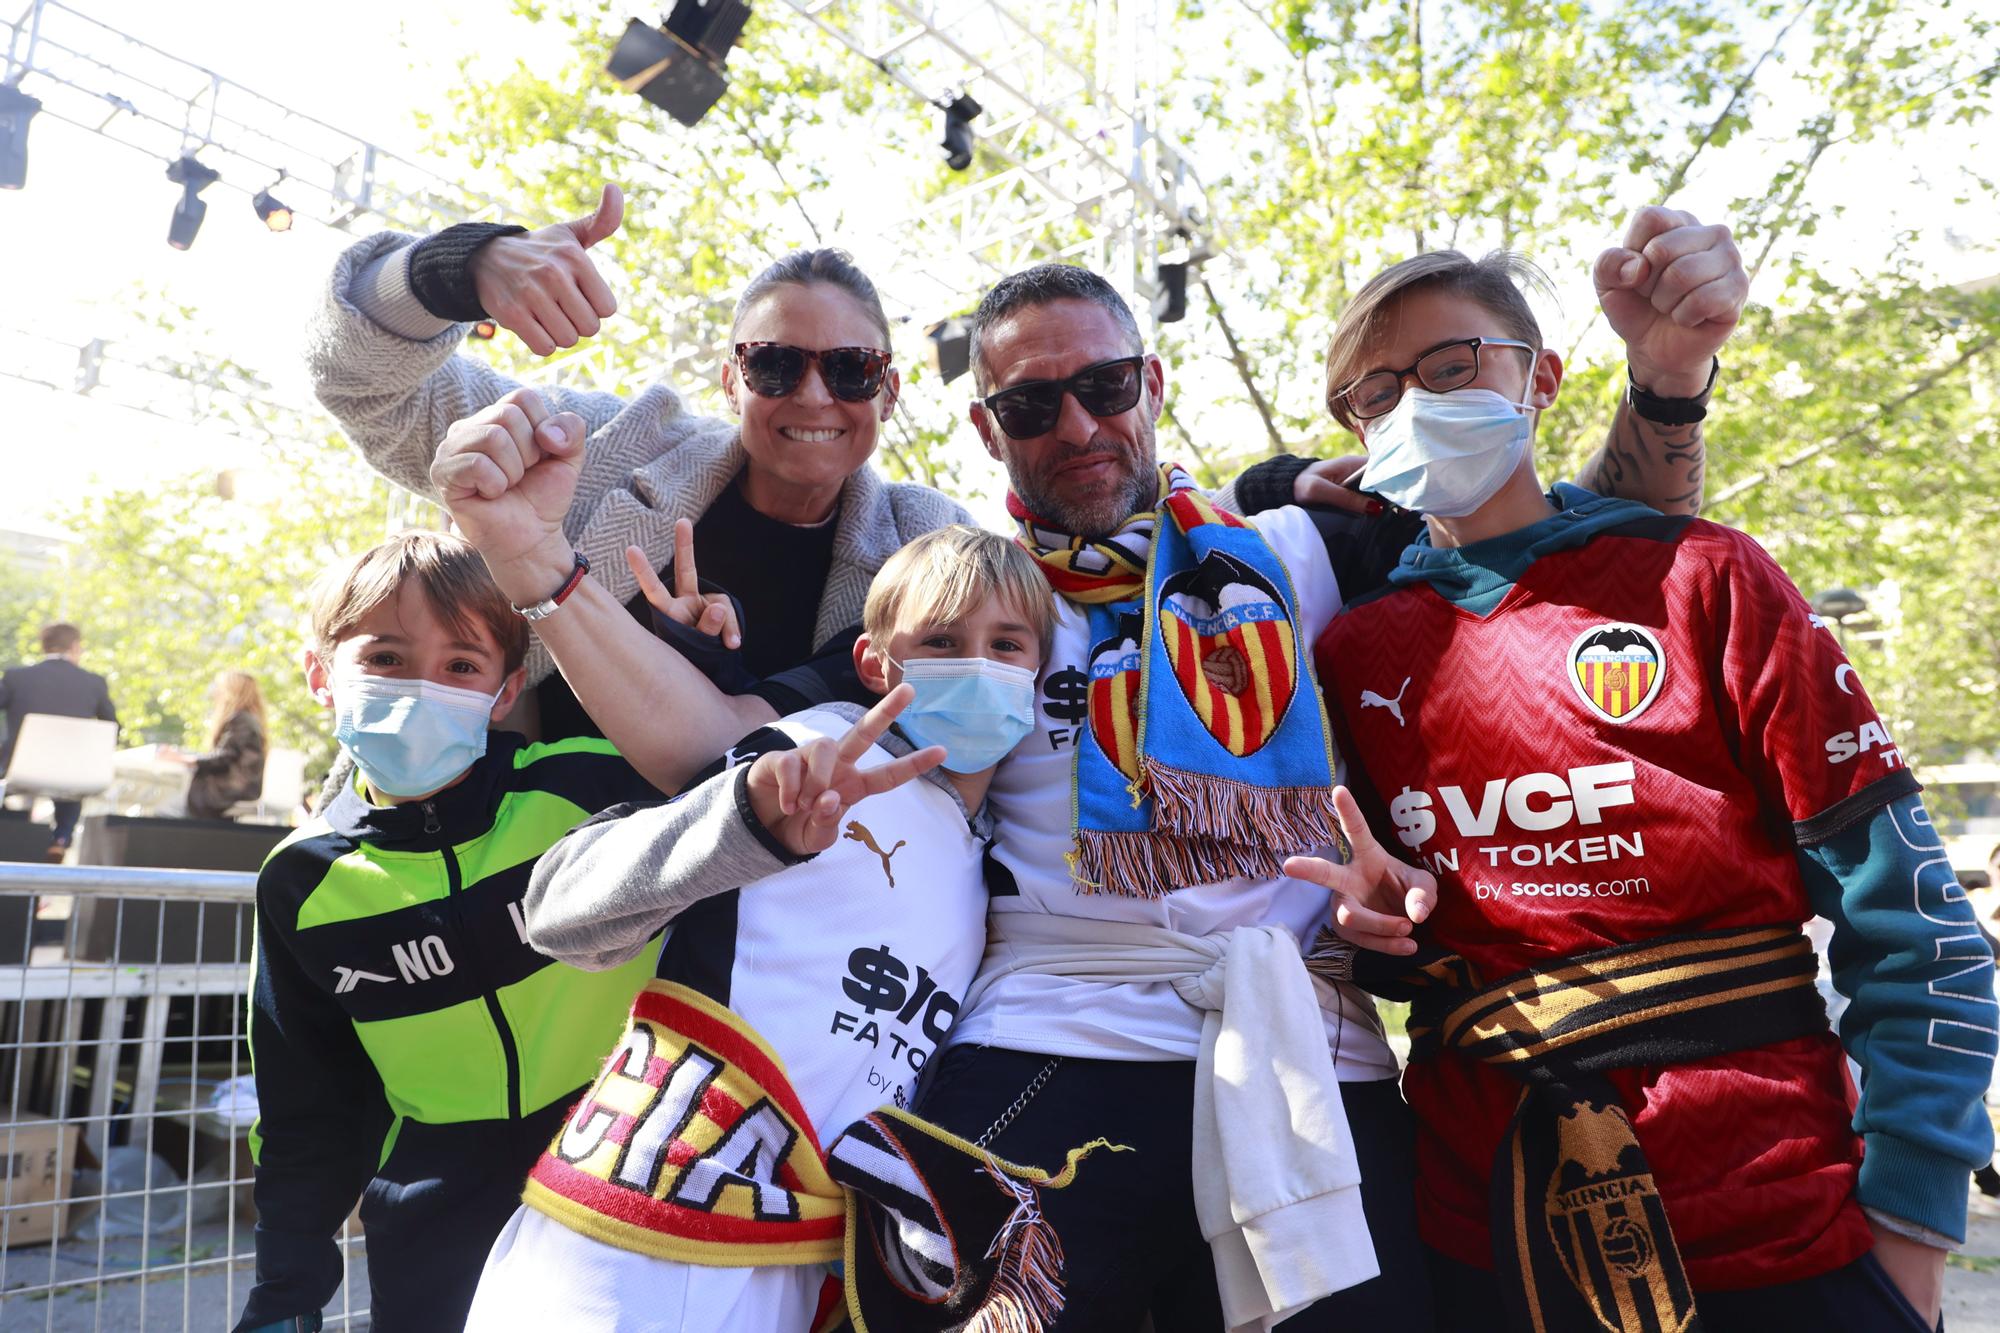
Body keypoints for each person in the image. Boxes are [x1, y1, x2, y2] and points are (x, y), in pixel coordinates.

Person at [436, 204, 1747, 1329]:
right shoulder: (966, 606)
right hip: (1045, 1052)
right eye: (1030, 403)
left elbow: (1565, 559)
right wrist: (530, 564)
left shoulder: (1299, 548)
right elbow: (715, 740)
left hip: (1308, 1050)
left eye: (1103, 388)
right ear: (984, 422)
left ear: (1153, 383)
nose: (1075, 425)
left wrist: (1668, 381)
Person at [1284, 248, 1996, 1333]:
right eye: (1373, 393)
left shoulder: (1705, 577)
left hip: (1783, 1222)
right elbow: (1424, 952)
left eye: (1448, 365)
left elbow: (1913, 927)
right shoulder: (1352, 651)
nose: (1412, 405)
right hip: (1493, 1241)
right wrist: (1388, 938)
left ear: (1541, 377)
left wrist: (1910, 1220)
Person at [462, 524, 1055, 1332]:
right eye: (943, 641)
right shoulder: (809, 754)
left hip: (801, 1271)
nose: (978, 664)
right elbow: (557, 910)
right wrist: (743, 820)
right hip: (620, 1246)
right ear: (879, 664)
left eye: (1007, 643)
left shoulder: (1000, 870)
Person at [307, 185, 968, 757]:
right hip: (518, 878)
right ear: (731, 385)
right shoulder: (605, 445)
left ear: (889, 391)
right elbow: (360, 383)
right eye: (775, 364)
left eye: (852, 368)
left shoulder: (924, 543)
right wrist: (465, 267)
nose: (815, 395)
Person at [234, 532, 662, 1333]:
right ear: (321, 677)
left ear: (505, 692)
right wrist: (285, 1291)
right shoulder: (301, 879)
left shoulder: (593, 785)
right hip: (432, 1226)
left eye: (461, 664)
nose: (420, 686)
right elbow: (304, 1105)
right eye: (386, 658)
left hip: (626, 1177)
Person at [0, 622, 118, 858]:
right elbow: (113, 725)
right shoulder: (94, 683)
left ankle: (10, 828)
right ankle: (61, 837)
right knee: (71, 787)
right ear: (75, 646)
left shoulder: (17, 678)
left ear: (44, 647)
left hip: (18, 769)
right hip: (70, 773)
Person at [166, 669, 268, 819]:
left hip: (227, 792)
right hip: (237, 790)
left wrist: (186, 759)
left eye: (219, 687)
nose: (214, 693)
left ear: (231, 691)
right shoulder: (250, 720)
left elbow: (224, 757)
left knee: (166, 810)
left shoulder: (240, 720)